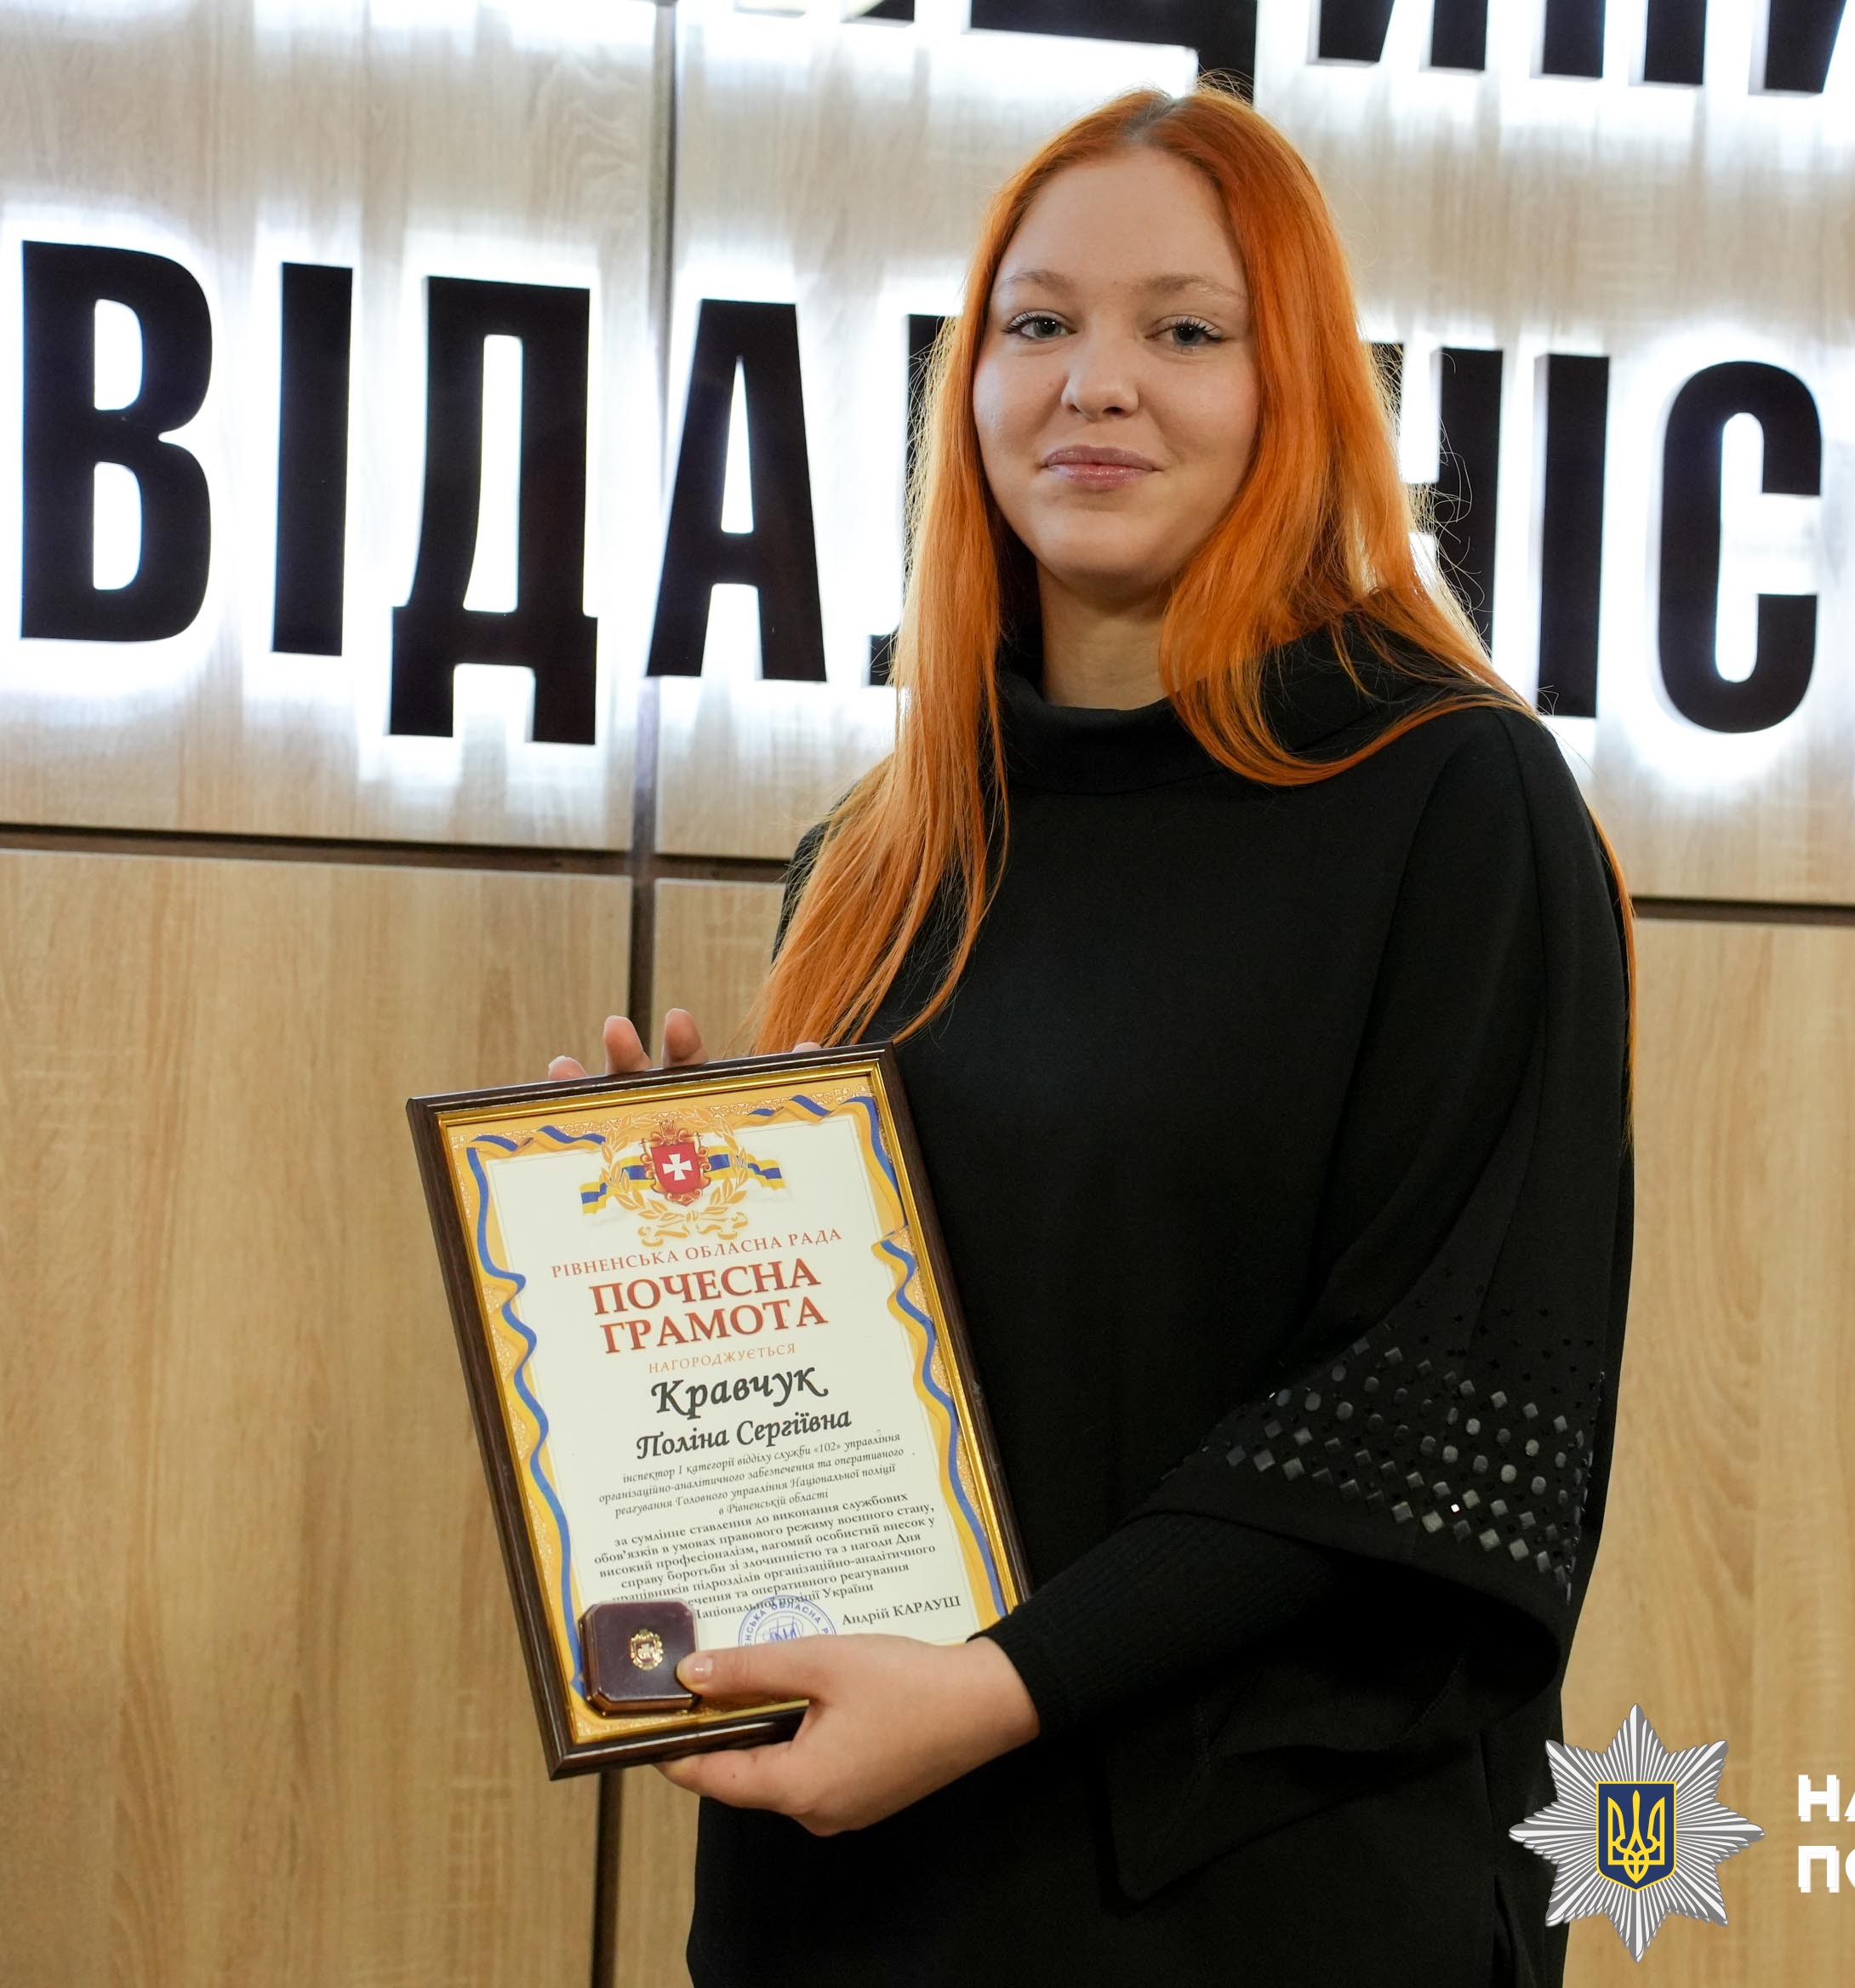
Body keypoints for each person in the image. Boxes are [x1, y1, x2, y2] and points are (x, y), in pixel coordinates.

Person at [545, 83, 1635, 1987]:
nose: (1095, 382)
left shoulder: (1452, 802)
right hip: (867, 1885)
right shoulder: (878, 857)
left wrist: (998, 1690)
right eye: (1036, 322)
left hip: (1254, 1897)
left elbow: (1427, 1409)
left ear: (1300, 391)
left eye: (1184, 329)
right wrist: (674, 1255)